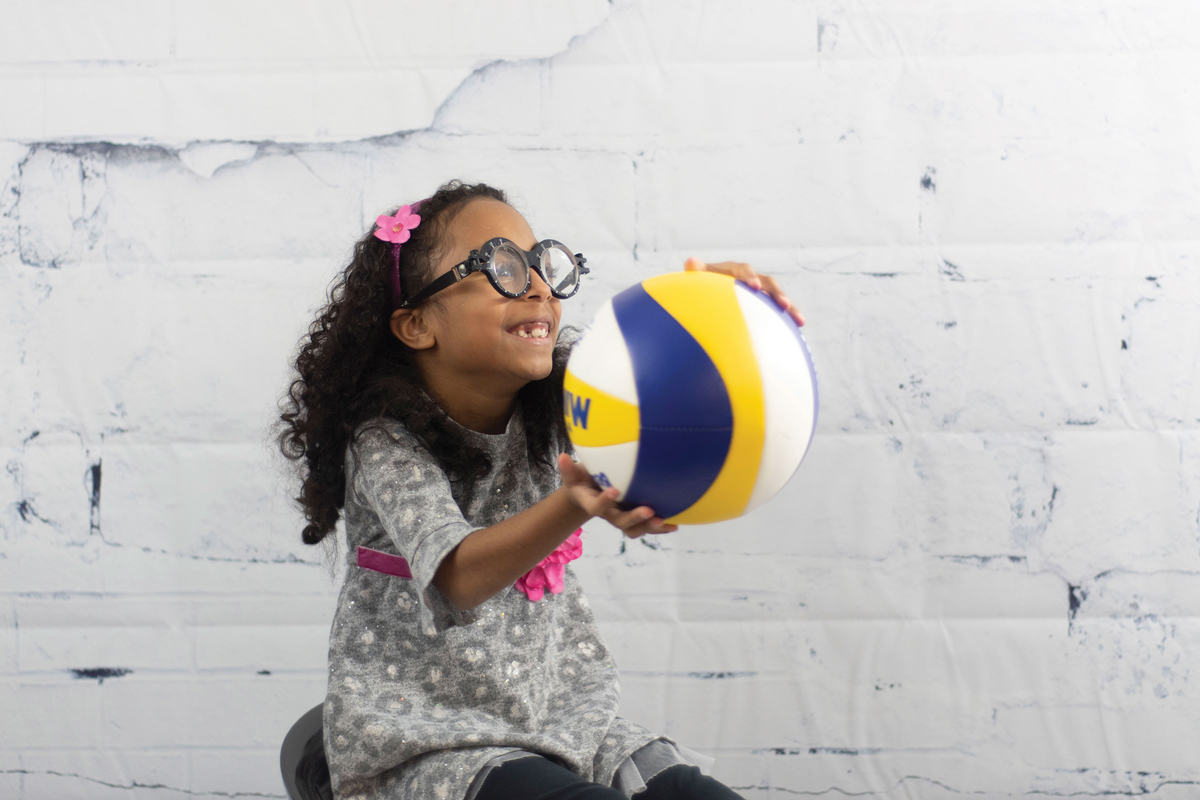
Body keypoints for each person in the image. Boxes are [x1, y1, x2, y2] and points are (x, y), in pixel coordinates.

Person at [278, 180, 804, 800]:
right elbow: (457, 578)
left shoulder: (561, 397)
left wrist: (716, 313)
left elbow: (654, 379)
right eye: (499, 266)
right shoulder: (384, 440)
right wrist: (577, 502)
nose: (536, 285)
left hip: (566, 724)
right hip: (431, 742)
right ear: (417, 324)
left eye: (539, 263)